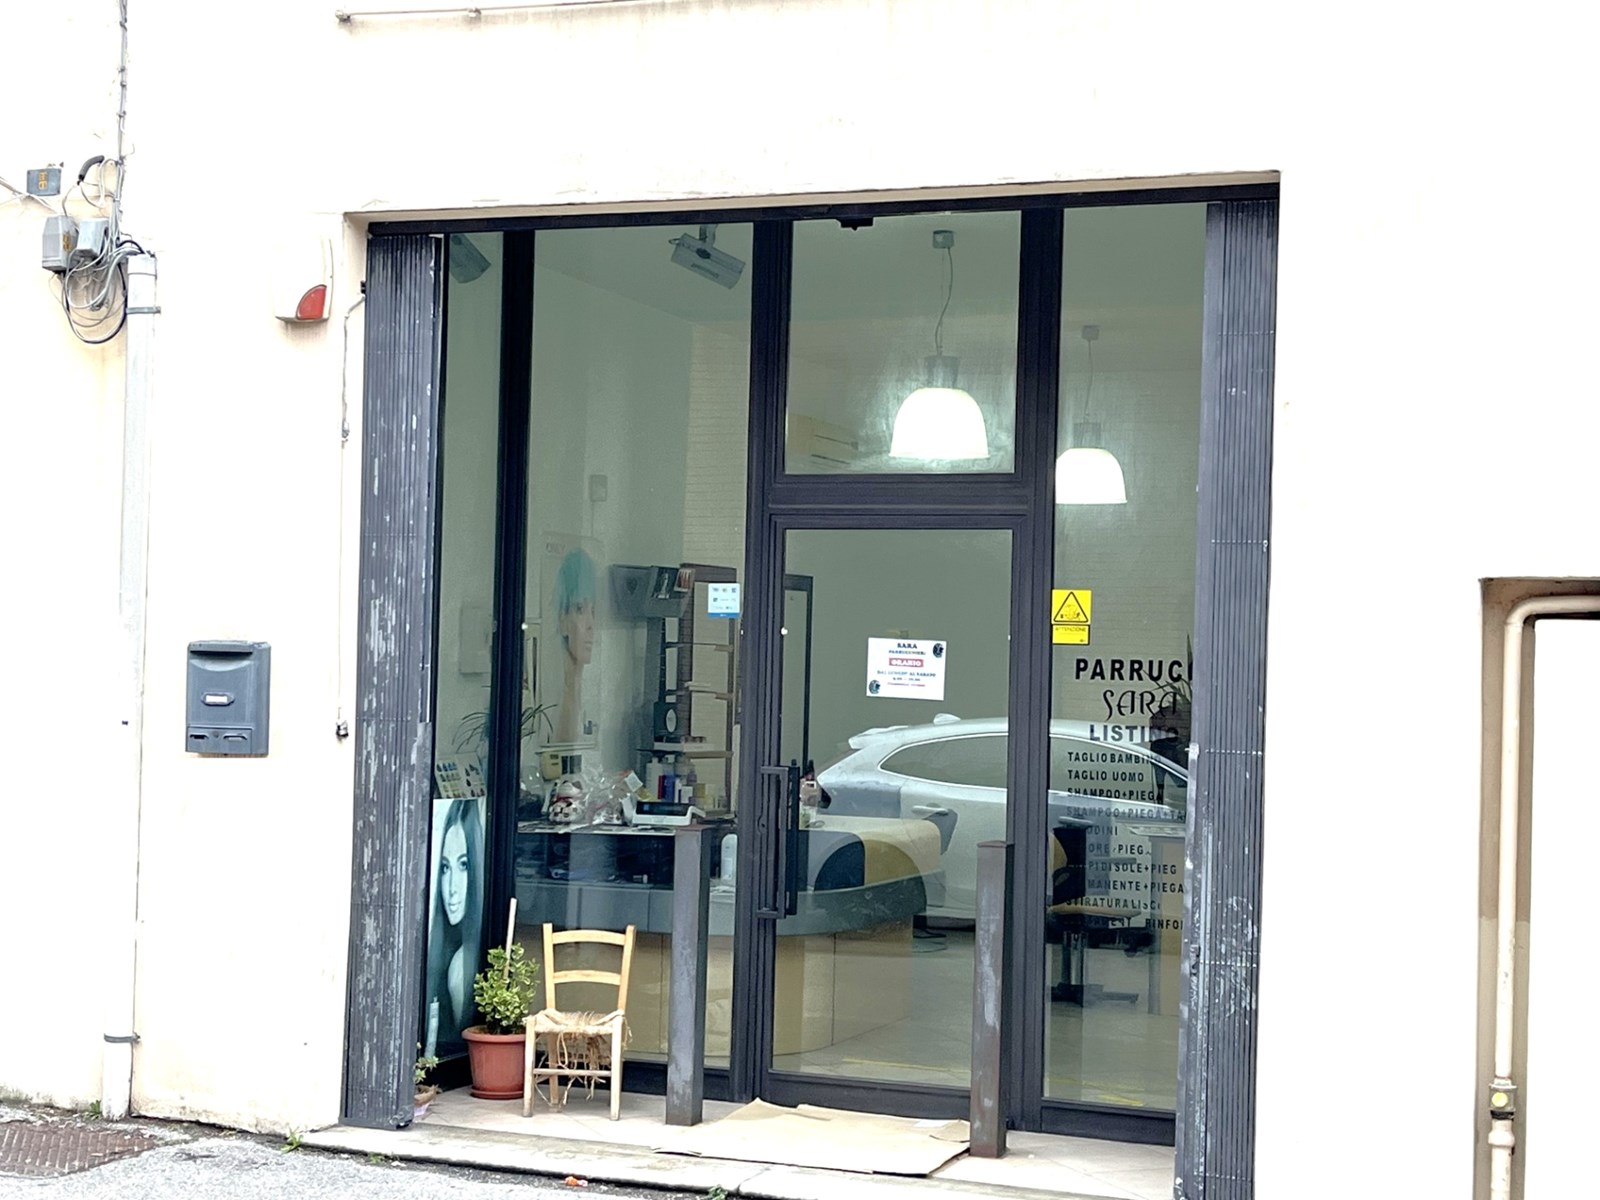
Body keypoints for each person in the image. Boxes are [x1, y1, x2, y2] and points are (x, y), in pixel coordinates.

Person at [424, 797, 483, 1058]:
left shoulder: (464, 964)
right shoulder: (435, 950)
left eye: (464, 865)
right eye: (445, 868)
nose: (452, 889)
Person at [553, 546, 597, 745]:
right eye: (580, 609)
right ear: (562, 619)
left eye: (593, 611)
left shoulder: (586, 693)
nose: (590, 624)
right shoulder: (554, 699)